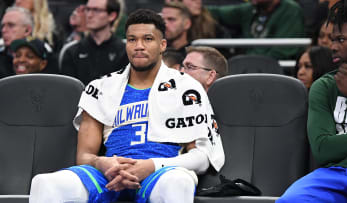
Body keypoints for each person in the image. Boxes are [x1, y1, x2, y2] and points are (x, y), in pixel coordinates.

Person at [29, 8, 224, 203]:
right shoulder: (100, 88)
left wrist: (151, 166)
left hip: (160, 173)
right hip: (109, 174)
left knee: (178, 181)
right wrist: (101, 162)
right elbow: (84, 156)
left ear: (162, 44)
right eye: (132, 39)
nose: (139, 46)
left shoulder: (187, 88)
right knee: (43, 183)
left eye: (148, 39)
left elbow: (202, 157)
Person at [277, 0, 347, 202]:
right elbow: (322, 149)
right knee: (290, 200)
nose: (332, 47)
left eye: (341, 39)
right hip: (333, 174)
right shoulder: (323, 86)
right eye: (331, 40)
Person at [60, 0, 128, 85]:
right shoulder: (71, 51)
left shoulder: (125, 51)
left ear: (112, 16)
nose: (89, 15)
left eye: (96, 10)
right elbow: (69, 90)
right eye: (87, 9)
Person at [208, 0, 305, 60]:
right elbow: (217, 13)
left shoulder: (290, 10)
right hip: (246, 65)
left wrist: (251, 62)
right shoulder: (250, 8)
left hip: (277, 69)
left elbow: (283, 51)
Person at [0, 6, 33, 78]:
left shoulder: (43, 56)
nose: (3, 30)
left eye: (11, 25)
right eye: (2, 26)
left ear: (27, 30)